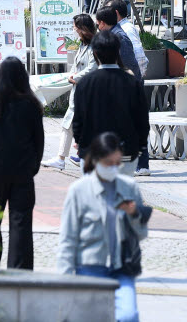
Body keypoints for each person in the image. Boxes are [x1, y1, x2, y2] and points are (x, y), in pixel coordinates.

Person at [57, 134, 152, 322]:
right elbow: (68, 239)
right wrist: (65, 281)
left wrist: (134, 214)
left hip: (121, 267)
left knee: (128, 316)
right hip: (90, 267)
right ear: (96, 160)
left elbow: (141, 235)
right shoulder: (79, 190)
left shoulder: (130, 187)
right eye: (109, 163)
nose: (114, 168)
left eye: (118, 163)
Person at [0, 57, 45, 270]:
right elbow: (38, 141)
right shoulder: (32, 105)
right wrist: (34, 166)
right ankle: (19, 268)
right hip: (23, 172)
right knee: (21, 222)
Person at [72, 30, 149, 175]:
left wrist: (79, 141)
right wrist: (140, 146)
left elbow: (78, 119)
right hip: (125, 152)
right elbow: (142, 118)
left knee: (94, 195)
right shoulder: (132, 83)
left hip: (92, 152)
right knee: (121, 194)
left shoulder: (85, 83)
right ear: (117, 51)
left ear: (95, 52)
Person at [42, 14, 98, 171]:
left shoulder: (94, 46)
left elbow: (92, 68)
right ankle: (71, 156)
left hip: (86, 92)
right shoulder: (82, 45)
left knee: (71, 125)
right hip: (79, 91)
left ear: (82, 29)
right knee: (70, 125)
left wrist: (75, 77)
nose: (73, 30)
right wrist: (72, 75)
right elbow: (77, 66)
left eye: (75, 27)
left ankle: (67, 158)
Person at [95, 7, 141, 80]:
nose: (98, 28)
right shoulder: (113, 35)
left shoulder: (119, 38)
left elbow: (128, 64)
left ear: (102, 23)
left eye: (97, 24)